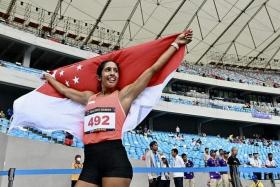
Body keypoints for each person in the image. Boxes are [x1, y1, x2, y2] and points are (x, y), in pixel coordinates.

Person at [43, 30, 193, 187]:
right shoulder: (89, 98)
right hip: (91, 163)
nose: (112, 73)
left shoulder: (123, 96)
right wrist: (49, 78)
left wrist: (175, 44)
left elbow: (152, 70)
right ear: (100, 77)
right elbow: (66, 91)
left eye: (115, 71)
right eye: (108, 70)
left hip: (115, 163)